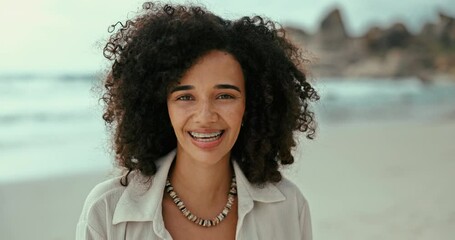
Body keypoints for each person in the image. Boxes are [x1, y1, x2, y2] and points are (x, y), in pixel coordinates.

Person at [76, 2, 319, 239]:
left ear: (252, 103)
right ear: (161, 106)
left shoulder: (289, 207)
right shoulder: (107, 211)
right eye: (185, 97)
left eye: (225, 96)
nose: (205, 116)